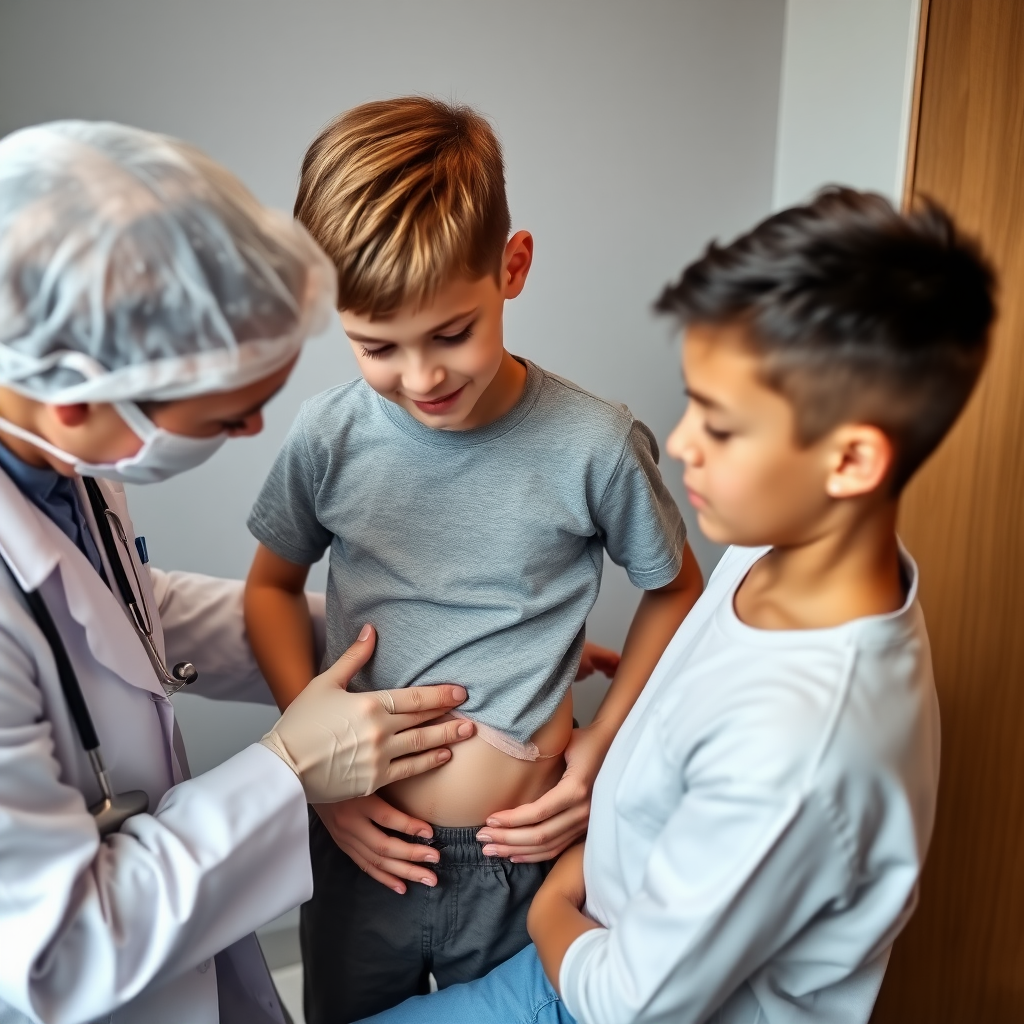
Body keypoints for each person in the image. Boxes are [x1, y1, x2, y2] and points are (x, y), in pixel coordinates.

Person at [355, 188, 997, 1024]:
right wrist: (635, 724)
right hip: (589, 927)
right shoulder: (789, 545)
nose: (683, 440)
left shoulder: (796, 753)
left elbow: (630, 1004)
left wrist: (555, 898)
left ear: (849, 462)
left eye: (721, 427)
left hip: (587, 982)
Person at [0, 120, 478, 1024]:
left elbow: (127, 616)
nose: (258, 432)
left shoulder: (67, 462)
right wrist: (289, 771)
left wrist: (421, 632)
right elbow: (55, 957)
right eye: (227, 419)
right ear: (75, 398)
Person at [243, 96, 704, 1023]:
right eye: (377, 346)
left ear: (512, 267)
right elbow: (270, 589)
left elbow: (676, 592)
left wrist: (597, 753)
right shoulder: (329, 436)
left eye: (451, 333)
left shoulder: (596, 444)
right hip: (364, 844)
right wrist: (316, 772)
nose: (421, 378)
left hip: (520, 854)